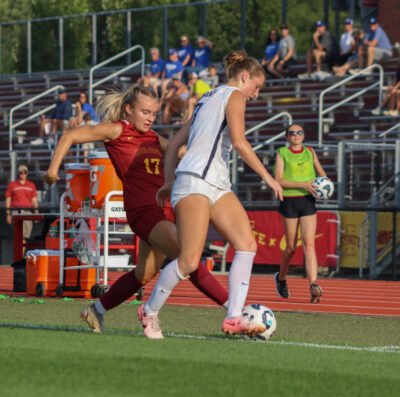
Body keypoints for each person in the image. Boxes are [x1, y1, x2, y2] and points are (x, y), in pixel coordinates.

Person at [44, 84, 228, 334]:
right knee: (188, 258)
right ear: (129, 109)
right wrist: (52, 170)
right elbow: (70, 136)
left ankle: (96, 310)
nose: (150, 118)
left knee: (144, 274)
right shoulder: (117, 130)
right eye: (145, 112)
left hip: (163, 211)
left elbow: (180, 152)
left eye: (154, 113)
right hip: (143, 211)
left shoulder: (153, 137)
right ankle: (234, 311)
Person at [138, 50, 283, 339]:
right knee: (189, 261)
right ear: (245, 77)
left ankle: (233, 318)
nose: (255, 94)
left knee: (246, 244)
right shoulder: (234, 95)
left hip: (214, 181)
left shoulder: (206, 98)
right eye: (256, 87)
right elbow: (240, 143)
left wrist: (168, 181)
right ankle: (149, 311)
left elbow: (174, 144)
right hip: (195, 181)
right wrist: (269, 177)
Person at [274, 123, 328, 304]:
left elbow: (320, 171)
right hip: (289, 200)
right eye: (292, 133)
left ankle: (313, 284)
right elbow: (279, 180)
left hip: (307, 200)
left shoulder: (310, 151)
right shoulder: (282, 152)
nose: (296, 135)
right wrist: (303, 184)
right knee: (290, 248)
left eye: (299, 132)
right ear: (287, 137)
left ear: (303, 135)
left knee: (309, 244)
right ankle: (281, 278)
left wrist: (325, 183)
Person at [6, 164, 39, 240]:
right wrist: (8, 214)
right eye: (21, 172)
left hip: (27, 212)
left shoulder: (31, 185)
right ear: (18, 173)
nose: (23, 174)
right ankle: (20, 247)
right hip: (16, 212)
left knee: (26, 236)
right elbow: (8, 199)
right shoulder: (12, 185)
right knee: (19, 235)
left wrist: (36, 213)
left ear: (27, 173)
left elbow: (34, 200)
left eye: (25, 172)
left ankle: (22, 247)